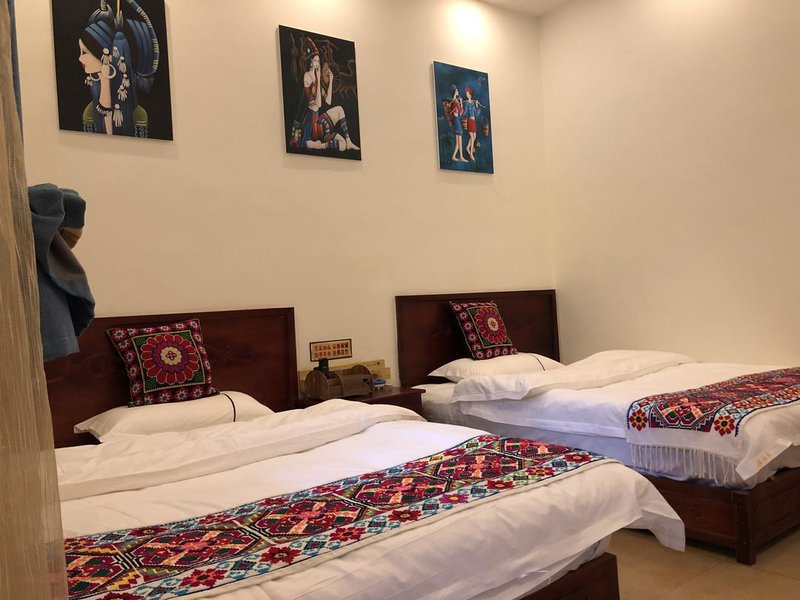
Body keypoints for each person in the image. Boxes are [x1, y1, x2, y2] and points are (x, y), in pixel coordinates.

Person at [78, 0, 160, 137]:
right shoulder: (90, 112)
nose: (80, 58)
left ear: (105, 56)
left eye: (84, 52)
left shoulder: (138, 115)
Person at [291, 37, 359, 152]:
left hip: (318, 120)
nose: (317, 64)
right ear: (310, 62)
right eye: (315, 61)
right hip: (311, 124)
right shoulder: (307, 76)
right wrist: (318, 78)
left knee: (340, 110)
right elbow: (318, 104)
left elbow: (328, 101)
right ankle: (315, 145)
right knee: (333, 143)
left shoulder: (317, 79)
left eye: (318, 61)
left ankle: (348, 141)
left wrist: (331, 80)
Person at [463, 87, 485, 161]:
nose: (467, 95)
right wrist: (461, 112)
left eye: (468, 93)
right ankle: (471, 154)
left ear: (470, 94)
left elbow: (476, 113)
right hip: (469, 121)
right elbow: (465, 112)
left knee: (474, 136)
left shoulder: (473, 102)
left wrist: (476, 104)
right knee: (472, 137)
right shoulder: (467, 103)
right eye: (466, 94)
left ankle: (467, 147)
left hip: (473, 121)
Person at [446, 85, 467, 163]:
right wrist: (459, 104)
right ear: (454, 92)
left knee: (458, 141)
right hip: (456, 120)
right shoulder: (454, 102)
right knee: (459, 139)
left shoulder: (456, 101)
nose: (458, 92)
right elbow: (457, 113)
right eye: (457, 91)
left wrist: (460, 103)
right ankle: (461, 156)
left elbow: (461, 112)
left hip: (457, 119)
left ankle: (454, 156)